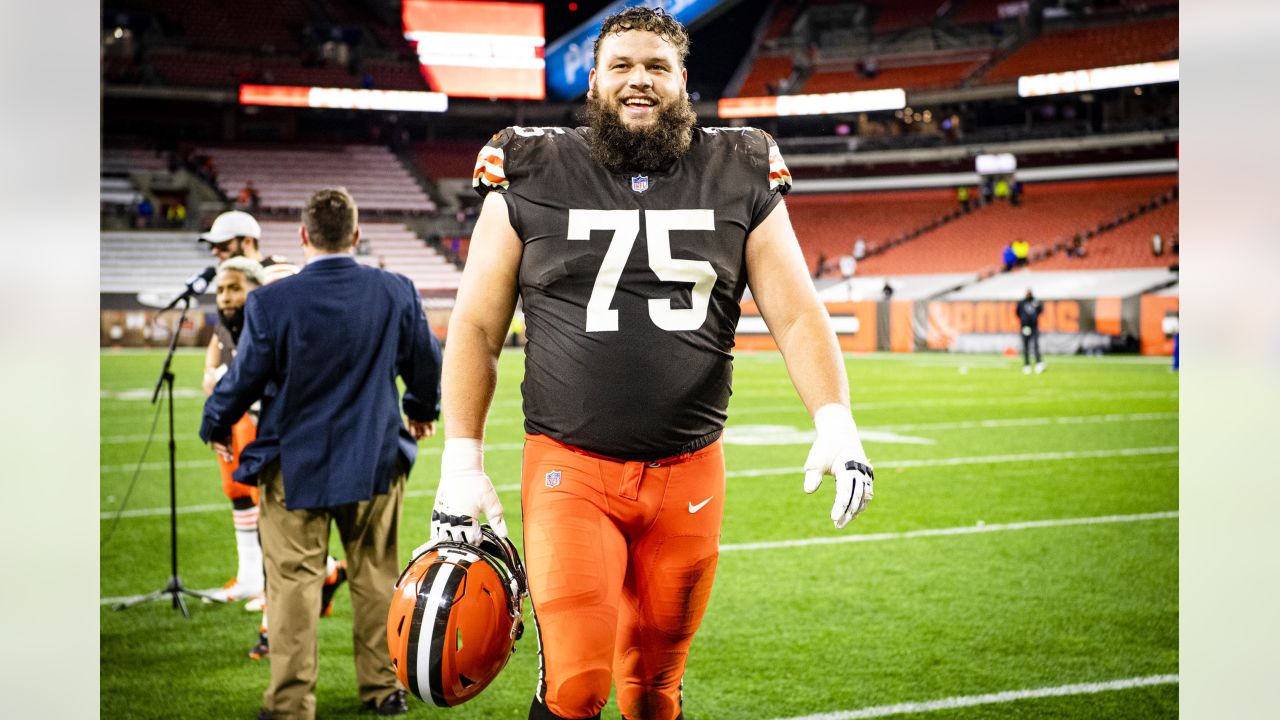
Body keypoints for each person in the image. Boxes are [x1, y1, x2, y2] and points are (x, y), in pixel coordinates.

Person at [427, 8, 875, 720]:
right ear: (594, 81)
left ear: (683, 80)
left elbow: (795, 312)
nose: (640, 81)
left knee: (654, 692)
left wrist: (835, 420)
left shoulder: (740, 165)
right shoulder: (530, 162)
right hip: (569, 468)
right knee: (576, 685)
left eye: (657, 67)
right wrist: (461, 462)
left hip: (689, 474)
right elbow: (478, 327)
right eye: (623, 67)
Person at [200, 188, 443, 718]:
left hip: (294, 464)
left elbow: (244, 379)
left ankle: (290, 704)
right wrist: (421, 408)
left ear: (304, 237)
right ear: (355, 236)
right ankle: (383, 691)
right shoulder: (394, 290)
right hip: (375, 457)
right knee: (376, 578)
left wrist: (215, 422)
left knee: (291, 587)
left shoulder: (270, 300)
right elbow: (427, 361)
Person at [198, 210, 299, 283]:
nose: (214, 251)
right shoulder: (232, 277)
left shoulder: (278, 272)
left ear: (247, 242)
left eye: (222, 244)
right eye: (212, 245)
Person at [1016, 288, 1045, 374]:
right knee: (1026, 346)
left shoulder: (1036, 302)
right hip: (1025, 327)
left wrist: (1033, 319)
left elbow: (1040, 311)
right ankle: (1026, 365)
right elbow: (1017, 313)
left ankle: (1038, 363)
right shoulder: (1021, 302)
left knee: (1036, 345)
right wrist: (1024, 321)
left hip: (1034, 327)